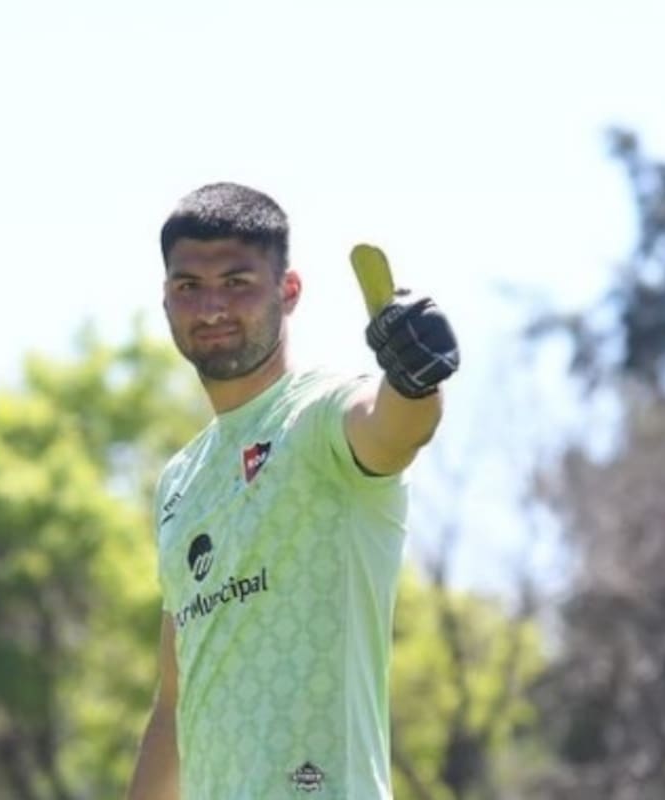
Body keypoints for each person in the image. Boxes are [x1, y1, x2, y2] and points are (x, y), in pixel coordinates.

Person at [126, 182, 459, 799]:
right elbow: (174, 703)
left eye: (236, 282)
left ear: (289, 292)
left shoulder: (320, 411)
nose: (211, 308)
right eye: (188, 287)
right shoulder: (180, 480)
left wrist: (415, 379)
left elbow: (391, 429)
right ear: (167, 301)